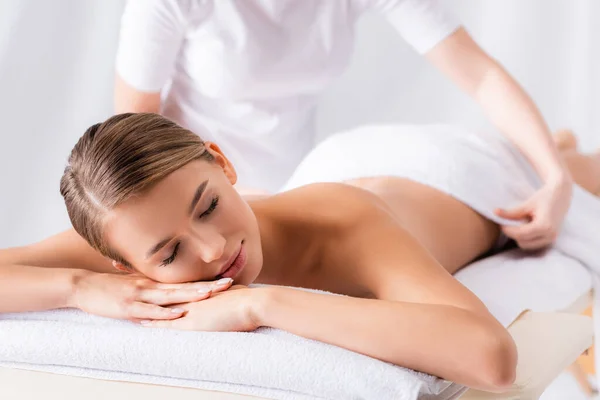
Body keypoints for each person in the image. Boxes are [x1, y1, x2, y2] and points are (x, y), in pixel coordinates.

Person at [1, 114, 599, 391]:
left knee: (567, 171)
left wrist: (261, 306)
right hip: (342, 164)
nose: (212, 249)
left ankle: (555, 147)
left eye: (208, 204)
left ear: (225, 163)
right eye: (167, 253)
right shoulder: (128, 232)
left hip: (449, 176)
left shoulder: (345, 226)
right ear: (121, 264)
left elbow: (493, 358)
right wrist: (77, 288)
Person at [114, 0, 573, 250]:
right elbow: (131, 141)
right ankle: (561, 148)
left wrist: (556, 179)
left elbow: (480, 75)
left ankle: (561, 152)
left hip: (295, 183)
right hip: (201, 203)